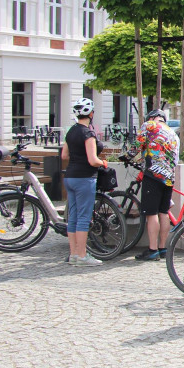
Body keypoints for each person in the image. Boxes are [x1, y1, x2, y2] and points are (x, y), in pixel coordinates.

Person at [61, 98, 108, 266]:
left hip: (70, 177)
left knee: (72, 216)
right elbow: (92, 160)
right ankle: (82, 255)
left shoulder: (71, 131)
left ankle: (73, 254)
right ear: (91, 114)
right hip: (85, 178)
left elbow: (64, 156)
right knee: (83, 217)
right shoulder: (87, 133)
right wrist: (103, 163)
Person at [134, 109, 179, 261]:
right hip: (168, 177)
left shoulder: (149, 126)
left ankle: (152, 249)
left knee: (151, 213)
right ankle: (162, 248)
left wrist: (125, 157)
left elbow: (136, 147)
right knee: (163, 212)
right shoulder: (173, 133)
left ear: (152, 118)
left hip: (153, 175)